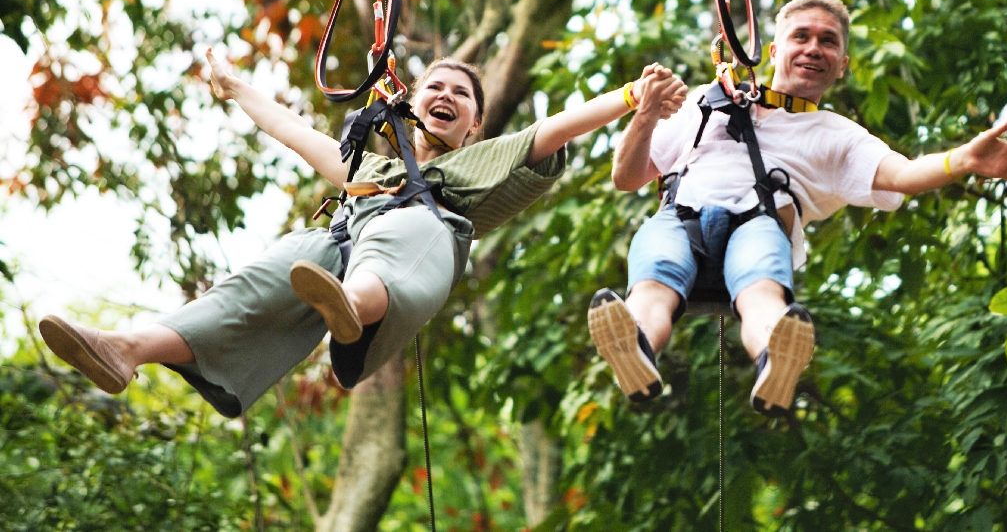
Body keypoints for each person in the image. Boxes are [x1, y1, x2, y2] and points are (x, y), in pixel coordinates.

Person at [39, 51, 688, 418]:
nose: (445, 93)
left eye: (461, 94)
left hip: (418, 256)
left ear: (475, 125)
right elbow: (293, 131)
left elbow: (561, 127)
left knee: (402, 228)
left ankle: (352, 305)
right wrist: (235, 85)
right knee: (286, 260)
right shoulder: (368, 169)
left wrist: (634, 94)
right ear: (407, 104)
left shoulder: (480, 164)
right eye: (433, 84)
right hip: (344, 251)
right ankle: (128, 347)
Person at [589, 0, 1007, 416]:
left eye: (827, 42)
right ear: (773, 51)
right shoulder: (706, 104)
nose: (813, 48)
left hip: (758, 223)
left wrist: (962, 159)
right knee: (651, 288)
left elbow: (903, 175)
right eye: (801, 36)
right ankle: (636, 351)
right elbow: (626, 177)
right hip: (681, 217)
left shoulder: (835, 134)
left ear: (842, 64)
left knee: (763, 296)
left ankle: (775, 362)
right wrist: (646, 115)